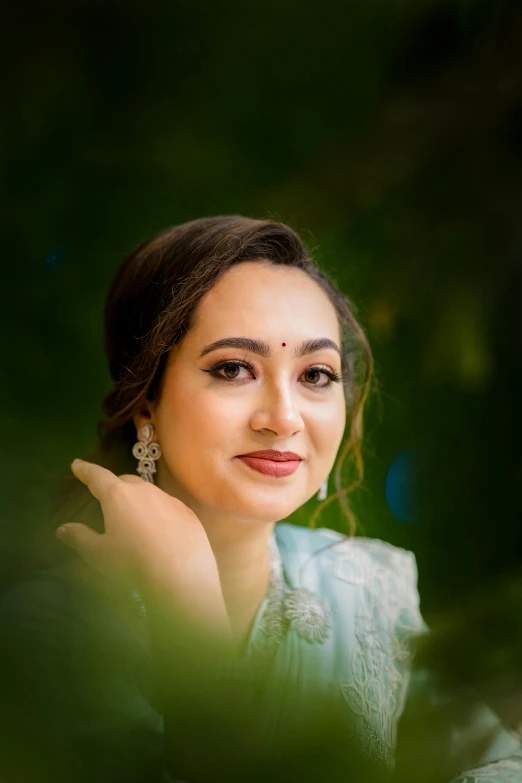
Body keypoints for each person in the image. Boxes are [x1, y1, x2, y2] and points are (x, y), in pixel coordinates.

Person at [0, 215, 520, 783]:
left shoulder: (367, 590)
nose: (285, 418)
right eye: (234, 368)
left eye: (316, 375)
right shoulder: (52, 636)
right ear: (146, 401)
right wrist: (188, 605)